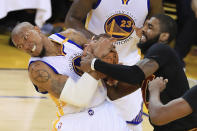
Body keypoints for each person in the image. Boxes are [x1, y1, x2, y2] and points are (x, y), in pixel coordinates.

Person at [80, 14, 197, 131]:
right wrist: (106, 76)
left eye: (150, 27)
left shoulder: (162, 49)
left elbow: (134, 74)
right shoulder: (150, 64)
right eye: (144, 25)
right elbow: (114, 94)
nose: (143, 29)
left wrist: (95, 63)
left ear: (164, 36)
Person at [11, 22, 131, 131]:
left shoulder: (71, 36)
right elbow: (79, 98)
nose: (26, 46)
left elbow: (102, 50)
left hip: (105, 110)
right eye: (20, 46)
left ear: (37, 29)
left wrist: (110, 69)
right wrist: (96, 63)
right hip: (75, 121)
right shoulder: (37, 70)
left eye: (26, 37)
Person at [65, 0, 164, 130]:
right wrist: (98, 42)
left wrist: (145, 37)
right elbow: (72, 19)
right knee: (86, 120)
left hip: (129, 66)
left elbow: (160, 29)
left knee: (129, 124)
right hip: (94, 63)